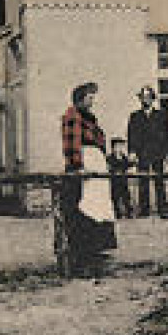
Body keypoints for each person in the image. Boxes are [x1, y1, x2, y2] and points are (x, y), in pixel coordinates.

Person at [60, 82, 117, 273]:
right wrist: (77, 166)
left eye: (93, 97)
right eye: (89, 97)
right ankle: (82, 252)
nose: (92, 101)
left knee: (99, 205)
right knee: (85, 206)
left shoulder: (89, 118)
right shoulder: (73, 116)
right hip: (84, 167)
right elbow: (72, 143)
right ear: (80, 99)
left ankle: (96, 248)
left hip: (96, 166)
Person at [126, 85, 168, 218]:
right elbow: (131, 135)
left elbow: (167, 135)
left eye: (148, 97)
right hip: (143, 153)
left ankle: (162, 210)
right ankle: (144, 210)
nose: (145, 100)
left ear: (152, 99)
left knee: (159, 181)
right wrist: (132, 152)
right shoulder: (135, 116)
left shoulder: (161, 115)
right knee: (143, 181)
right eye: (143, 97)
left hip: (158, 152)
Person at [105, 137, 135, 220]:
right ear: (113, 147)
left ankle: (129, 211)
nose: (119, 148)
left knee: (126, 196)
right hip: (115, 182)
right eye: (117, 146)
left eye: (121, 146)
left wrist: (132, 163)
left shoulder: (124, 157)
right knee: (115, 197)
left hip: (123, 181)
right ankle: (117, 213)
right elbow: (109, 166)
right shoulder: (110, 158)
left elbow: (128, 164)